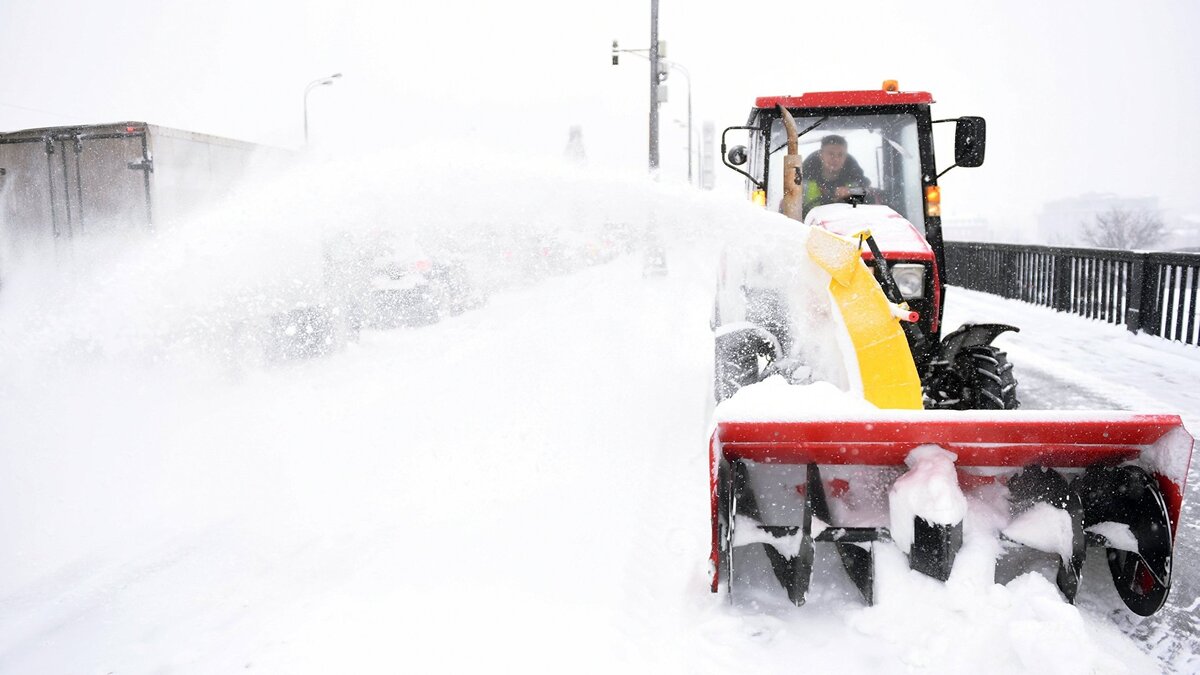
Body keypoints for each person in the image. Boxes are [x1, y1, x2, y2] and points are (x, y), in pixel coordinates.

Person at [801, 135, 870, 216]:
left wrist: (850, 192)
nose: (836, 159)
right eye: (831, 154)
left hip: (848, 224)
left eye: (840, 155)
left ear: (845, 157)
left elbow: (867, 194)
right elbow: (791, 208)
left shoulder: (854, 177)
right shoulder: (802, 181)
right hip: (810, 226)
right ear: (821, 155)